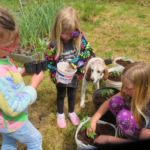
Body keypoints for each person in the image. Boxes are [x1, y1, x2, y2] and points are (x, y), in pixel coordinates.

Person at [0, 7, 43, 150]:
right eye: (8, 47)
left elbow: (8, 72)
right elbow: (13, 108)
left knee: (9, 142)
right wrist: (33, 87)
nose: (13, 48)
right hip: (13, 122)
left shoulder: (2, 58)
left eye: (15, 41)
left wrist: (22, 72)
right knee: (35, 140)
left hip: (3, 123)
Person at [44, 6, 95, 128]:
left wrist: (77, 61)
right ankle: (60, 113)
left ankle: (71, 111)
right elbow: (49, 62)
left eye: (72, 34)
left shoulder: (80, 37)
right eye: (64, 34)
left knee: (72, 94)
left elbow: (90, 52)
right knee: (61, 94)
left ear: (76, 29)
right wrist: (53, 75)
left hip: (74, 74)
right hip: (60, 75)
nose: (67, 37)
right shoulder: (53, 44)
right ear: (57, 30)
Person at [86, 62, 150, 144]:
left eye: (128, 87)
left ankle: (130, 136)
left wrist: (109, 139)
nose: (123, 90)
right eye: (123, 85)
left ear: (144, 87)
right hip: (138, 119)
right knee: (115, 101)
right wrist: (93, 120)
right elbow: (109, 101)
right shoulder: (137, 90)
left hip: (144, 134)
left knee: (123, 117)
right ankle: (126, 130)